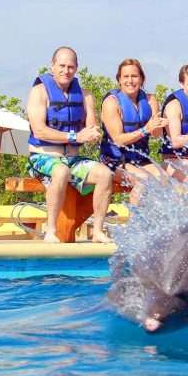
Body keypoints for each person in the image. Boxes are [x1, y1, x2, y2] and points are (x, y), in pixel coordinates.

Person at [26, 46, 114, 244]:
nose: (66, 70)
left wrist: (92, 131)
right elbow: (39, 130)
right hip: (43, 157)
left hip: (73, 159)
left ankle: (98, 231)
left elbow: (91, 126)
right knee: (61, 172)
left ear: (77, 69)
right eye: (62, 66)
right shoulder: (39, 92)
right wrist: (75, 137)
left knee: (105, 174)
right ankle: (51, 229)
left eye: (71, 67)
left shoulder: (85, 95)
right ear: (52, 66)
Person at [99, 58, 168, 205]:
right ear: (119, 80)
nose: (130, 81)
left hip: (140, 160)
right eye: (126, 77)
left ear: (142, 79)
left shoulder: (150, 101)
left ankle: (157, 223)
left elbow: (157, 135)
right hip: (114, 161)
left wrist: (161, 126)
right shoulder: (112, 102)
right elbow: (118, 139)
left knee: (165, 180)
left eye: (134, 76)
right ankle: (136, 225)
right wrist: (145, 129)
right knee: (143, 181)